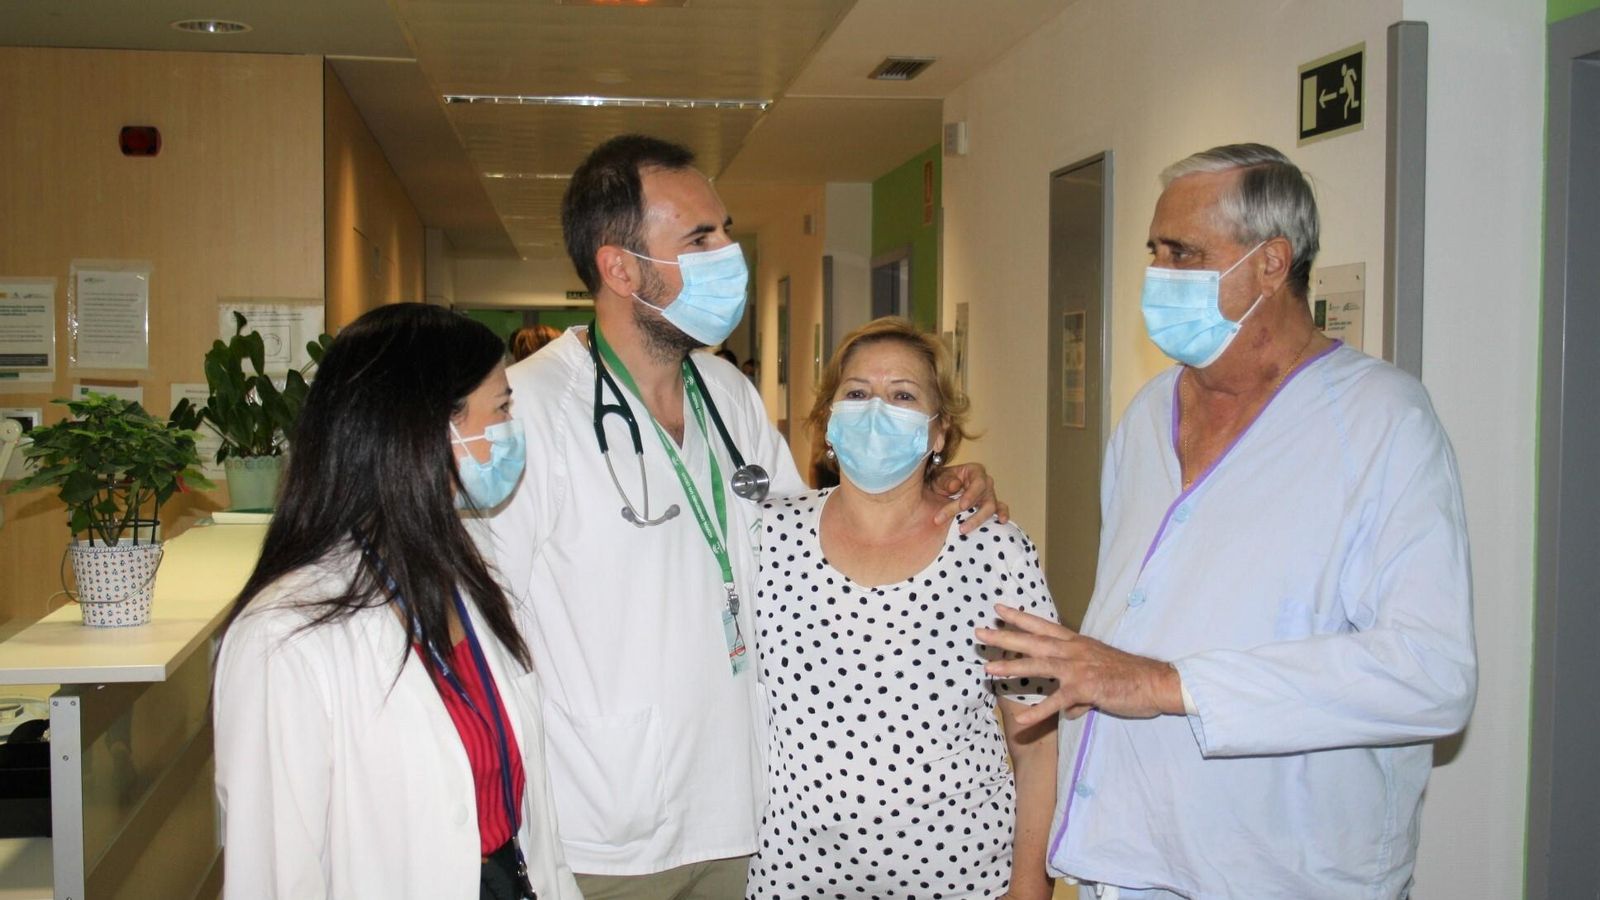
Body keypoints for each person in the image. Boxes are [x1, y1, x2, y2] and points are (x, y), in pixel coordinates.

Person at [478, 134, 1003, 898]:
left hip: (746, 810)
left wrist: (930, 481)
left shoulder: (724, 392)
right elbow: (481, 630)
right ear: (619, 267)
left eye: (724, 229)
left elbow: (816, 533)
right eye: (700, 238)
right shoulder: (532, 412)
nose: (729, 253)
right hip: (607, 833)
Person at [979, 144, 1476, 899]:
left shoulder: (1382, 422)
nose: (1158, 276)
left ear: (1271, 264)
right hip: (1130, 857)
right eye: (1155, 252)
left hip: (1284, 871)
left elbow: (1431, 677)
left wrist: (1170, 684)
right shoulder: (1149, 415)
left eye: (1184, 253)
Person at [214, 304, 580, 900]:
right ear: (427, 428)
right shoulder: (283, 637)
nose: (515, 428)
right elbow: (274, 877)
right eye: (504, 408)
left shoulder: (461, 575)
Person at [747, 317, 1059, 900]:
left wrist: (1030, 880)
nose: (875, 410)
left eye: (903, 396)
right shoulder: (767, 538)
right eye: (857, 392)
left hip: (963, 875)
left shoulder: (993, 550)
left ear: (939, 433)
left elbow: (1035, 738)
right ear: (829, 421)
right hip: (796, 874)